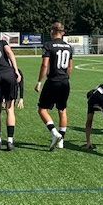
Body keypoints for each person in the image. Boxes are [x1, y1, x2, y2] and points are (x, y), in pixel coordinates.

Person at [35, 22, 73, 150]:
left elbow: (44, 65)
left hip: (53, 81)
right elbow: (70, 67)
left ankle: (54, 133)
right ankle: (61, 140)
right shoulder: (68, 47)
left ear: (52, 31)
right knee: (62, 110)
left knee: (42, 109)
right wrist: (65, 78)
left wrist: (39, 81)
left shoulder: (48, 45)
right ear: (63, 33)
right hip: (65, 81)